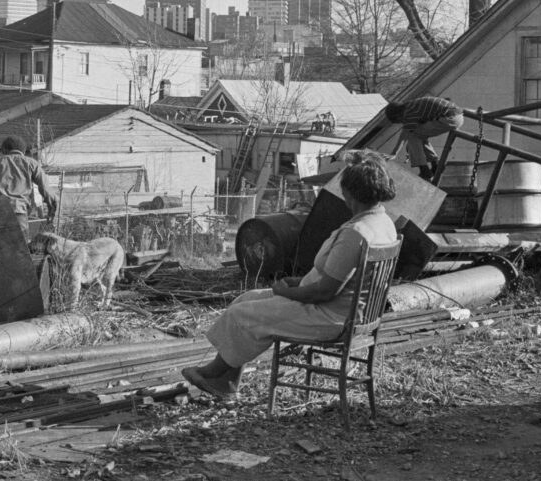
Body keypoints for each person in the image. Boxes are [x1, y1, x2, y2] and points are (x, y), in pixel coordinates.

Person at [181, 152, 398, 399]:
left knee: (243, 314)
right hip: (345, 311)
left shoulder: (357, 233)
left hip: (331, 318)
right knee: (246, 300)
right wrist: (299, 282)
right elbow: (338, 277)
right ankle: (227, 381)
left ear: (351, 192)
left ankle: (214, 374)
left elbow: (323, 292)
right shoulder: (383, 223)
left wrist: (286, 291)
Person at [0, 135, 57, 239]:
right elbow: (46, 188)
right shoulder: (32, 163)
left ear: (5, 149)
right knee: (21, 247)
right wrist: (51, 209)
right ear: (22, 150)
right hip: (19, 212)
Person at [384, 96, 464, 180]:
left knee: (412, 134)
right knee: (419, 133)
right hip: (456, 115)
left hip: (449, 118)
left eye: (399, 121)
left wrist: (394, 153)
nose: (402, 123)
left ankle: (424, 170)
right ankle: (435, 164)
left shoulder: (408, 112)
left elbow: (405, 134)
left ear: (398, 115)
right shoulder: (412, 105)